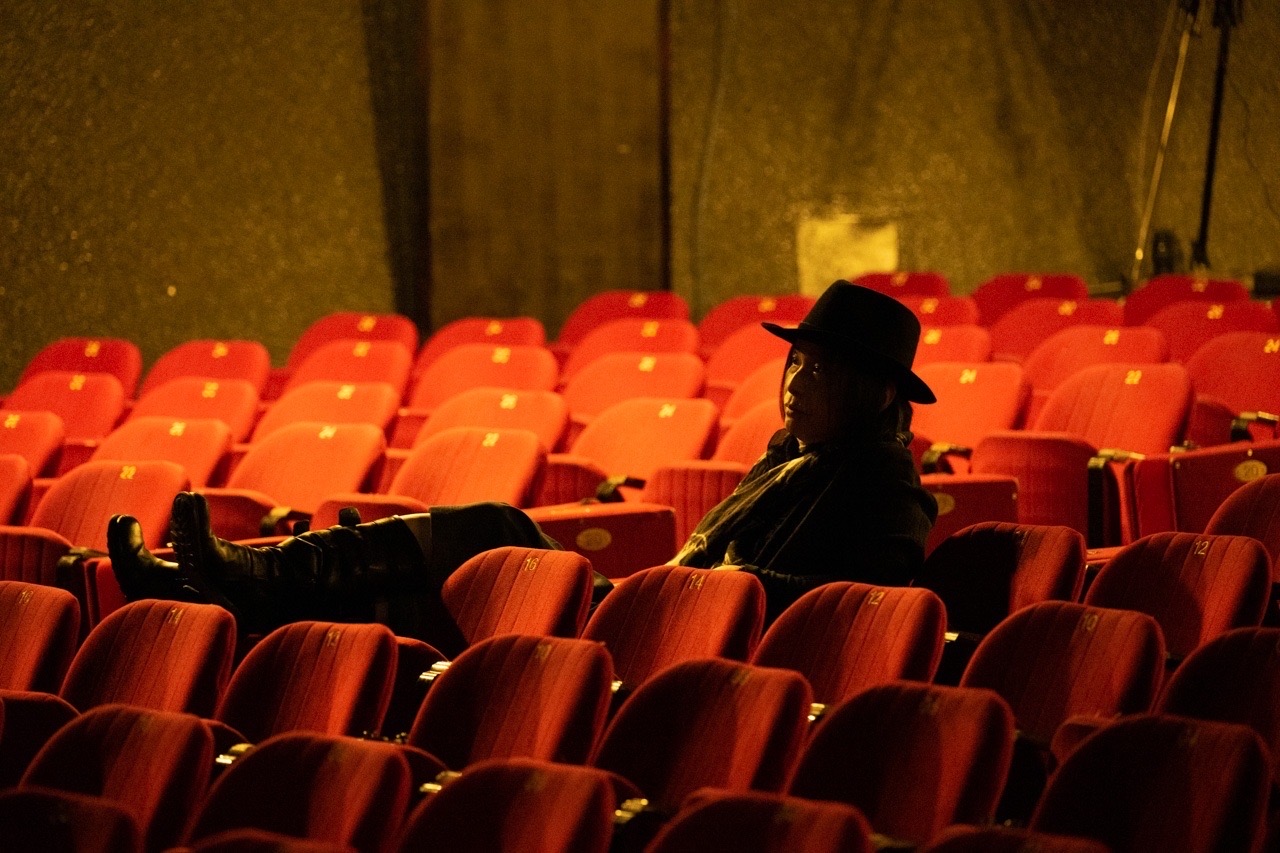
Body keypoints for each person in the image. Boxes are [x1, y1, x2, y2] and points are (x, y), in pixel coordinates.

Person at [107, 280, 937, 649]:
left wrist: (722, 574)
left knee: (498, 531)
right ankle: (218, 588)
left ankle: (237, 582)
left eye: (822, 369)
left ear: (871, 392)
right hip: (667, 610)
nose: (796, 379)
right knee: (435, 589)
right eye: (796, 362)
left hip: (694, 635)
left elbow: (866, 608)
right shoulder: (790, 457)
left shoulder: (883, 485)